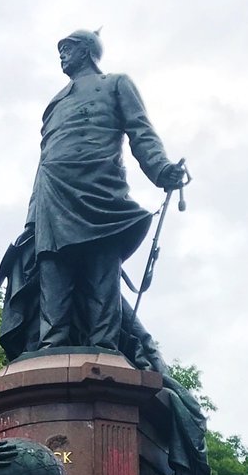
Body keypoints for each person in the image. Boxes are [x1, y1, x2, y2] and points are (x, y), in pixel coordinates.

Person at [13, 28, 186, 351]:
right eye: (60, 50)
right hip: (53, 191)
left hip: (99, 187)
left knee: (101, 266)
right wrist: (32, 218)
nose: (62, 55)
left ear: (87, 51)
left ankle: (105, 346)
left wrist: (162, 169)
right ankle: (52, 344)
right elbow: (44, 160)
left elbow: (140, 131)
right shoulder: (54, 104)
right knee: (53, 265)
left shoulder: (116, 84)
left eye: (68, 48)